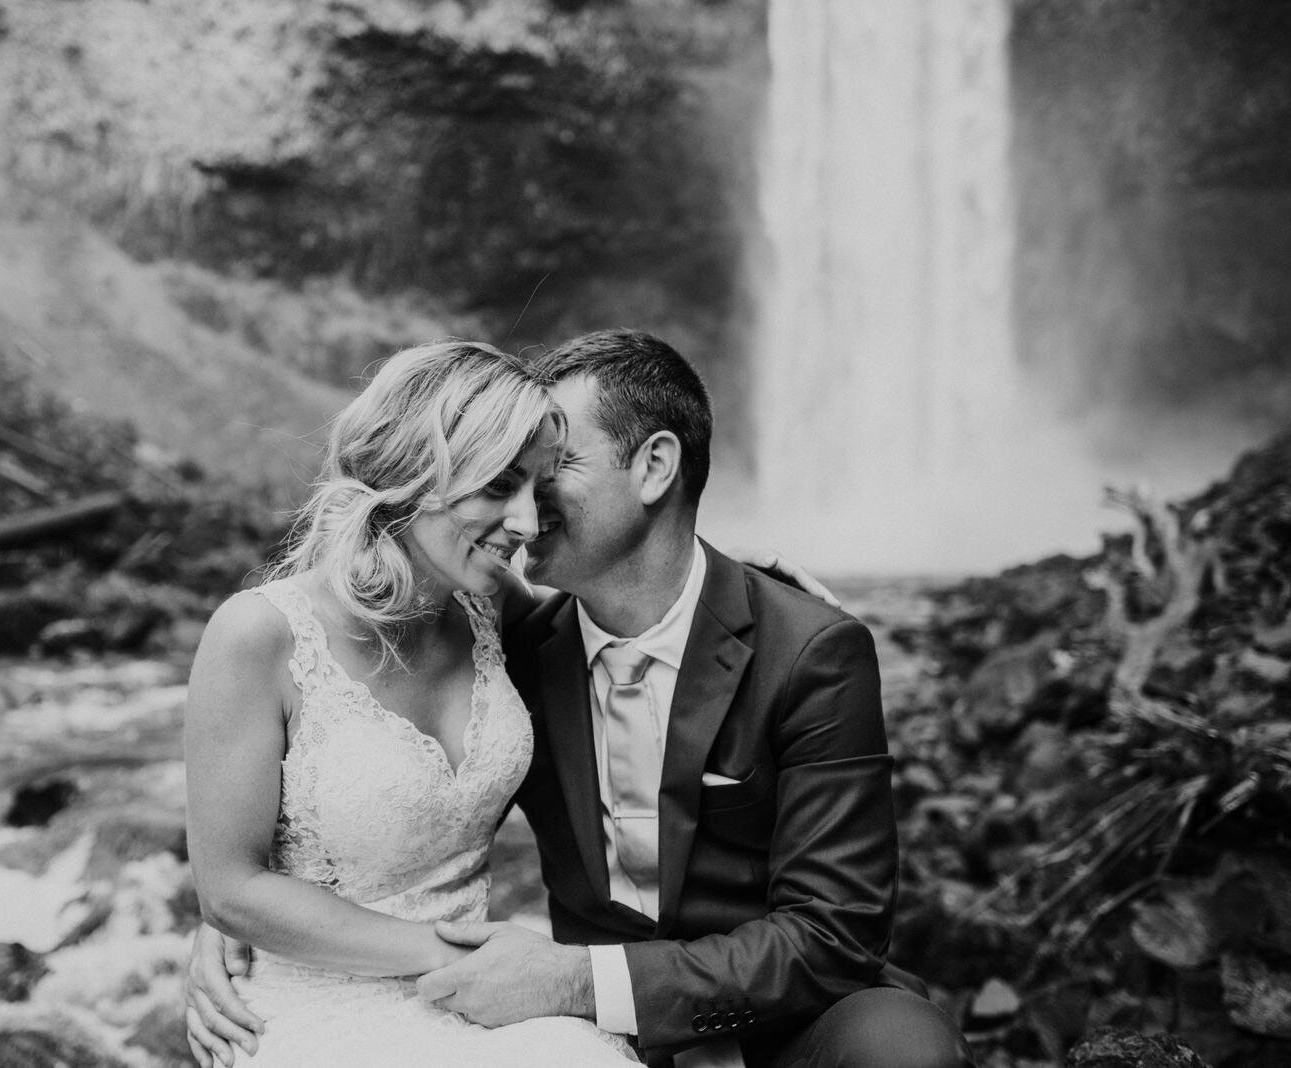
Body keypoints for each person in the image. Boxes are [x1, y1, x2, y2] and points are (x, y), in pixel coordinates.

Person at [188, 331, 971, 1067]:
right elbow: (297, 835)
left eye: (552, 471)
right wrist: (234, 915)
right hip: (503, 1000)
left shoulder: (803, 650)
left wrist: (575, 983)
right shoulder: (511, 635)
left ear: (655, 468)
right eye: (515, 478)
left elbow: (833, 935)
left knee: (900, 1049)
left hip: (755, 1008)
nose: (527, 516)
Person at [182, 340, 642, 1066]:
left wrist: (753, 589)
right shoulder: (259, 635)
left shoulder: (498, 608)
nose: (526, 523)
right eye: (498, 487)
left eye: (538, 489)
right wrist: (464, 955)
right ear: (412, 471)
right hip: (319, 1011)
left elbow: (636, 629)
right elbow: (232, 888)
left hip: (477, 1002)